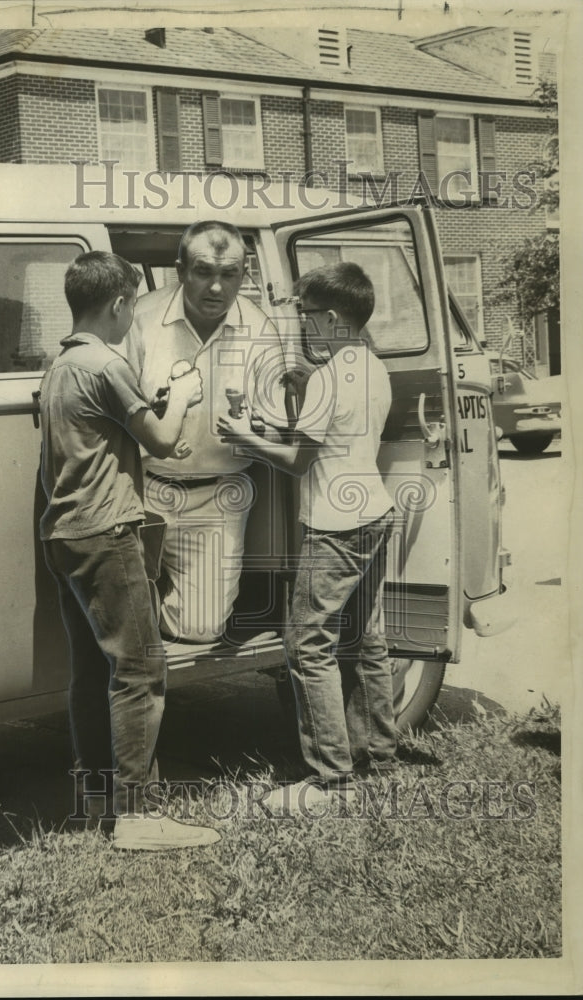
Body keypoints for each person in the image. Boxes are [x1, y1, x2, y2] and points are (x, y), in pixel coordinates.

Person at [38, 250, 220, 850]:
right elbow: (165, 441)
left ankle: (95, 803)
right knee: (142, 670)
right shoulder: (107, 363)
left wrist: (160, 400)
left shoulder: (61, 365)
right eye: (133, 310)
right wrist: (185, 393)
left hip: (65, 535)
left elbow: (105, 434)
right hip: (109, 532)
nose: (134, 322)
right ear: (119, 304)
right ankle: (139, 818)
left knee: (94, 673)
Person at [217, 262, 397, 811]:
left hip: (335, 527)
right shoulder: (370, 367)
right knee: (366, 639)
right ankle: (379, 760)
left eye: (306, 312)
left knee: (307, 645)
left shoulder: (327, 378)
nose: (301, 322)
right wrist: (302, 392)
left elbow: (298, 462)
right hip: (375, 512)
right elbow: (333, 437)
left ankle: (330, 781)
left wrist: (244, 434)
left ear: (333, 317)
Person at [124, 221, 283, 643]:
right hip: (142, 491)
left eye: (229, 274)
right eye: (203, 272)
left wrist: (256, 429)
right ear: (180, 270)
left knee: (200, 627)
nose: (216, 288)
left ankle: (154, 621)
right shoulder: (140, 318)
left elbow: (277, 425)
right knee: (117, 618)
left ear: (244, 275)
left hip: (220, 498)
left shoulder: (262, 330)